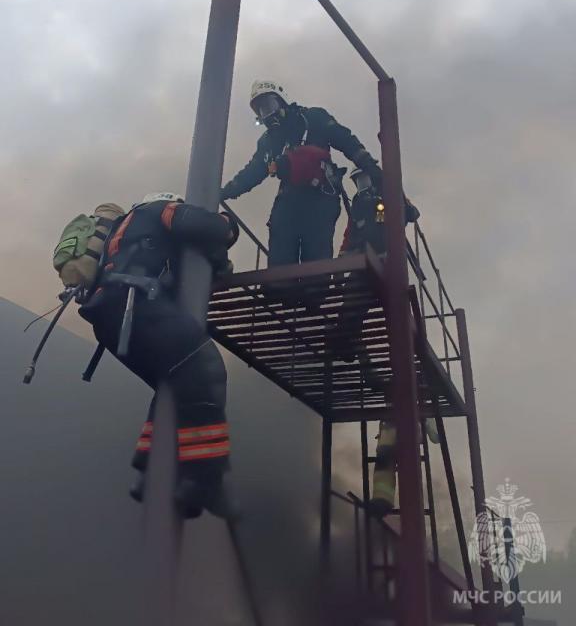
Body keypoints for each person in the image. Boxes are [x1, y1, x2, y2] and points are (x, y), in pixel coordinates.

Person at [78, 192, 239, 519]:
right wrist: (228, 225)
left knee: (175, 384)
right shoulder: (158, 209)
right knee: (206, 370)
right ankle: (203, 481)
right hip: (138, 307)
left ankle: (148, 471)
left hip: (109, 319)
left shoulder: (123, 233)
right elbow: (201, 225)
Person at [220, 80, 384, 267]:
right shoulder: (269, 142)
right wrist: (226, 191)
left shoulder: (313, 118)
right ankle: (282, 284)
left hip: (320, 199)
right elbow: (253, 171)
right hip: (288, 202)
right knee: (280, 261)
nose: (267, 114)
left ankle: (316, 285)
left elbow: (346, 140)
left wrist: (370, 166)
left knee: (316, 263)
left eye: (269, 106)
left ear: (282, 101)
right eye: (261, 111)